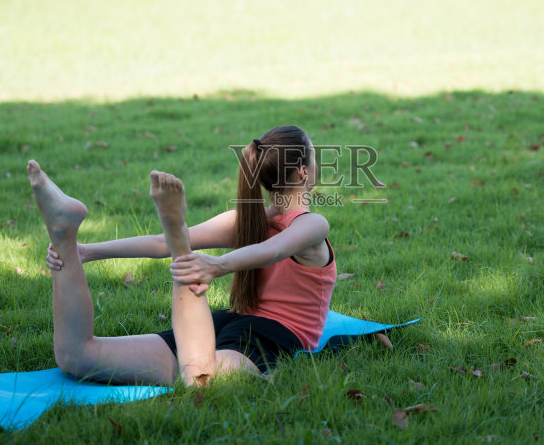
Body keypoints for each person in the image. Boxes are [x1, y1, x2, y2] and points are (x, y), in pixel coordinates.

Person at [29, 125, 336, 387]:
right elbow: (273, 250)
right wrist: (87, 252)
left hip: (222, 325)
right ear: (303, 170)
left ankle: (65, 234)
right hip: (268, 337)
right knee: (202, 380)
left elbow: (273, 250)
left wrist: (217, 264)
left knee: (79, 355)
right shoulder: (312, 223)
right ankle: (72, 238)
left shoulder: (250, 221)